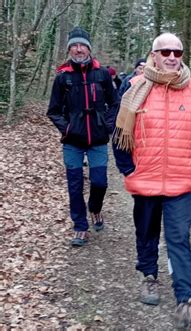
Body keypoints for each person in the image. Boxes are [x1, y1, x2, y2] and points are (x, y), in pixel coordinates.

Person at [112, 33, 191, 328]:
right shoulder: (133, 88)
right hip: (144, 178)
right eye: (165, 51)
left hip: (181, 181)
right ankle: (149, 277)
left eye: (177, 52)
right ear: (153, 55)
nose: (171, 56)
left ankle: (185, 302)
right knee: (146, 232)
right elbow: (118, 134)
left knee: (179, 238)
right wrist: (127, 169)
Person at [47, 27, 119, 247]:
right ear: (70, 49)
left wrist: (105, 126)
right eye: (74, 46)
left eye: (82, 45)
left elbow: (115, 102)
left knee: (100, 182)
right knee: (75, 185)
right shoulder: (63, 77)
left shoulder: (102, 74)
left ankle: (95, 209)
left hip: (97, 140)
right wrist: (67, 129)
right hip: (72, 142)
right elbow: (53, 110)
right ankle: (80, 227)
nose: (78, 49)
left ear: (89, 48)